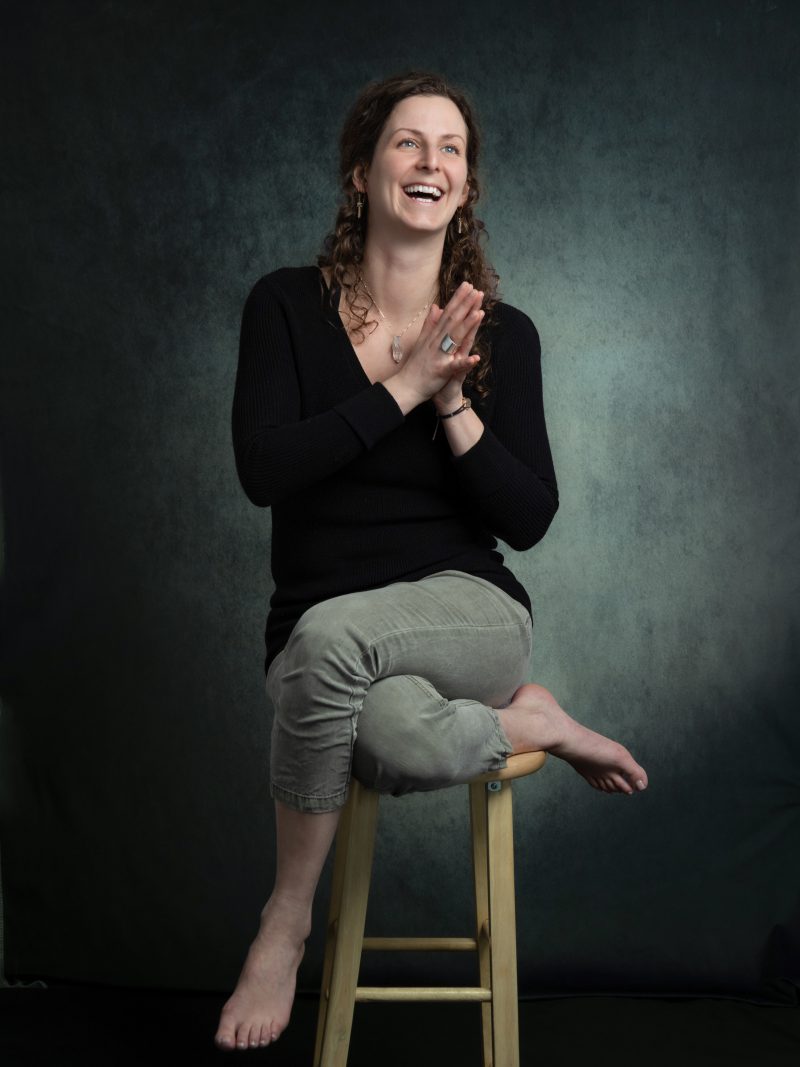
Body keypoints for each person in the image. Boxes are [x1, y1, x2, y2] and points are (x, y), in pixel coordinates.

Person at [215, 70, 648, 1053]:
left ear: (465, 185)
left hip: (469, 613)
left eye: (451, 148)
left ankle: (284, 922)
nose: (431, 161)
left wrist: (450, 401)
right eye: (408, 142)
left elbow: (528, 519)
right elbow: (263, 469)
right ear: (362, 172)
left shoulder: (504, 335)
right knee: (388, 733)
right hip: (318, 630)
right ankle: (531, 722)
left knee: (333, 640)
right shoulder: (283, 306)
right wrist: (403, 385)